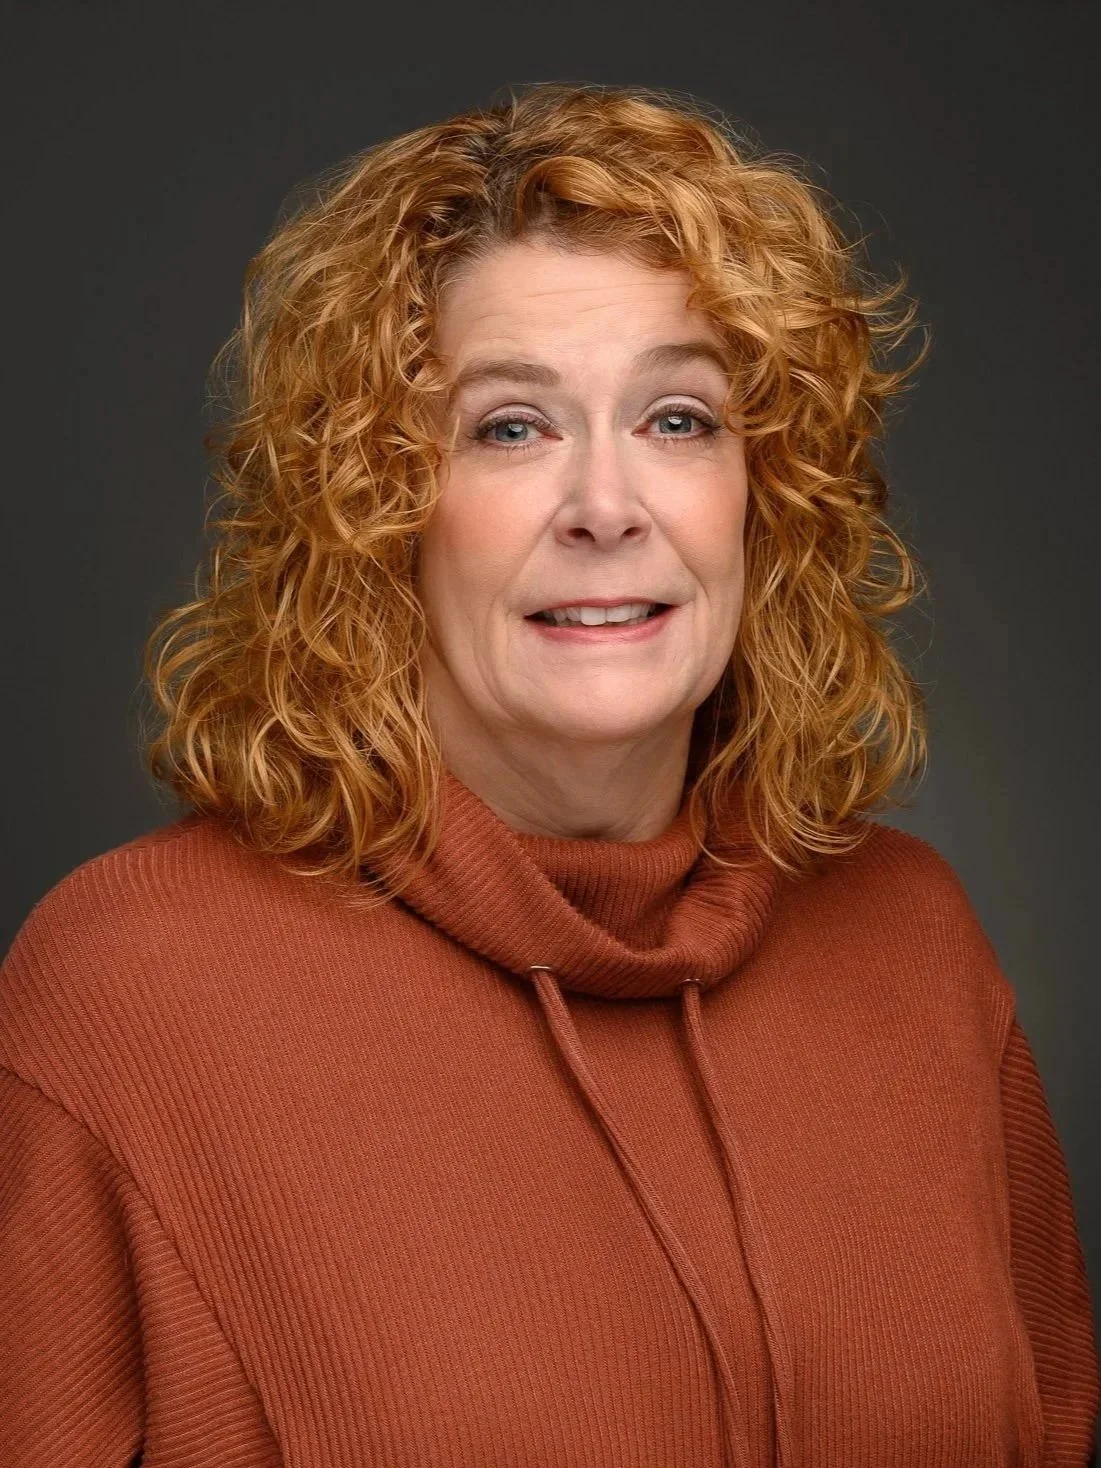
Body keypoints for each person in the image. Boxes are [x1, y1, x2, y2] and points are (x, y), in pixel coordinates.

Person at [1, 80, 1097, 1468]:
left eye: (680, 419)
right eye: (510, 427)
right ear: (376, 504)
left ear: (772, 489)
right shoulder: (129, 993)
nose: (607, 505)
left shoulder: (916, 943)